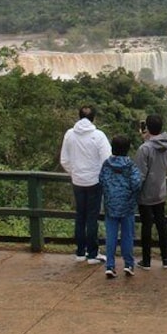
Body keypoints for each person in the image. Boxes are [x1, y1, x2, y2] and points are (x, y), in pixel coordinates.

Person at [60, 105, 112, 264]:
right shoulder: (99, 136)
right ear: (93, 118)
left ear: (79, 116)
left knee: (80, 217)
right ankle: (92, 254)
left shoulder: (70, 134)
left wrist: (75, 172)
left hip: (77, 182)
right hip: (95, 182)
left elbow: (64, 160)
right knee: (92, 218)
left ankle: (80, 252)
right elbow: (107, 160)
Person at [133, 114, 167, 270]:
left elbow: (140, 174)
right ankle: (166, 258)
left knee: (146, 226)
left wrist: (135, 190)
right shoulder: (166, 145)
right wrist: (148, 139)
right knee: (162, 224)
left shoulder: (144, 149)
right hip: (160, 191)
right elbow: (155, 150)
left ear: (148, 128)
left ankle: (146, 261)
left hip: (146, 193)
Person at [99, 135, 142, 279]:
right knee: (127, 236)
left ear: (112, 148)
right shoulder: (130, 166)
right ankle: (128, 264)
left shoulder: (106, 164)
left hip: (111, 205)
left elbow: (102, 180)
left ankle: (110, 266)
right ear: (128, 149)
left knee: (111, 235)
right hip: (127, 206)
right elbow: (136, 183)